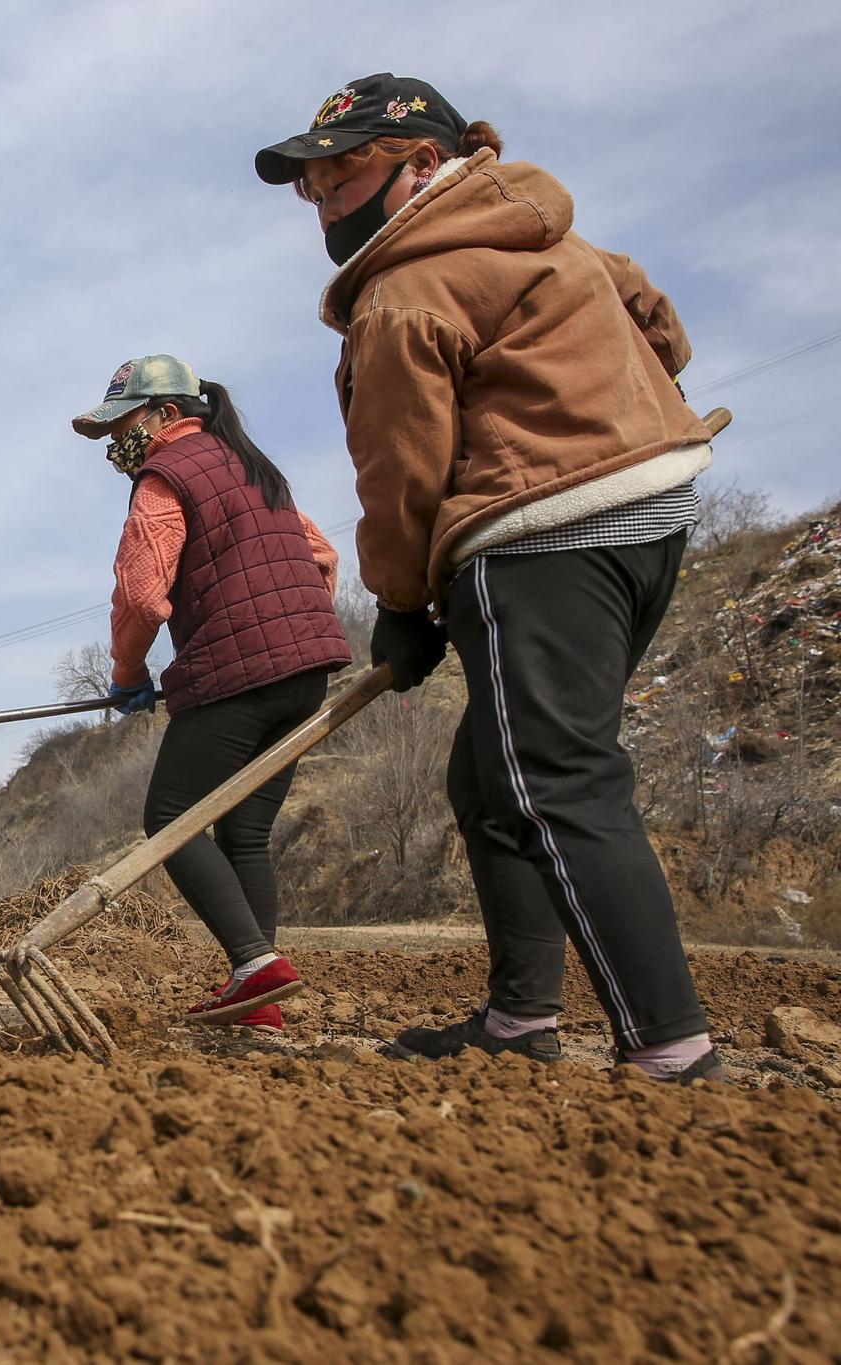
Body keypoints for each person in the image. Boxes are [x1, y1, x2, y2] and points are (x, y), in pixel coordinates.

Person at [256, 73, 722, 1081]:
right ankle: (519, 1019)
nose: (324, 202)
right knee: (486, 774)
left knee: (552, 779)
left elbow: (400, 468)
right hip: (646, 518)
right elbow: (660, 326)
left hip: (541, 534)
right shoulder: (551, 241)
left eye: (344, 175)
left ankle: (668, 1049)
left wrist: (396, 603)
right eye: (311, 188)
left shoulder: (403, 291)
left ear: (422, 163)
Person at [73, 355, 351, 1031]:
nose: (117, 442)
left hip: (241, 673)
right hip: (307, 673)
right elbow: (323, 556)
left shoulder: (163, 476)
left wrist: (130, 674)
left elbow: (142, 594)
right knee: (245, 830)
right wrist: (294, 636)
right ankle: (260, 1001)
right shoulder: (254, 467)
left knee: (171, 814)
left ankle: (255, 965)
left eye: (124, 423)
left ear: (168, 413)